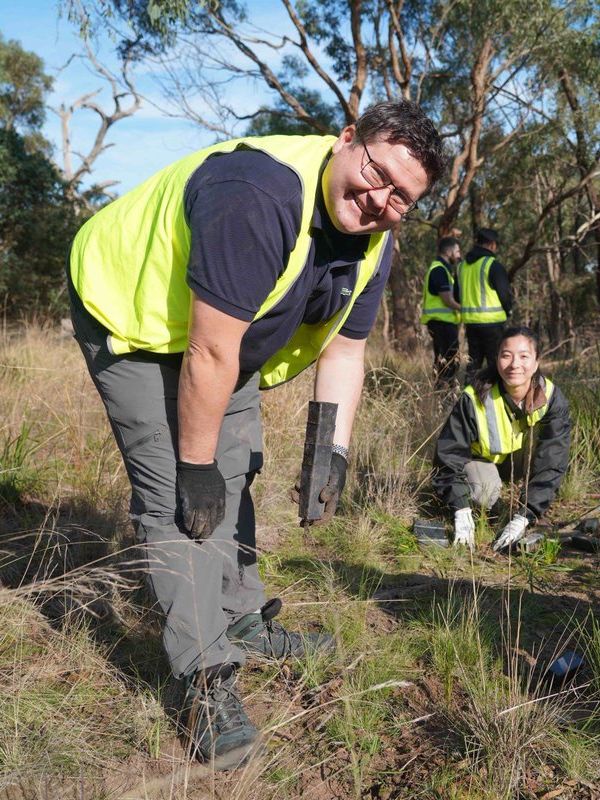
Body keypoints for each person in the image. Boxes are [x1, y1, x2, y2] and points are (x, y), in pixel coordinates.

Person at [67, 100, 446, 769]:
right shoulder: (258, 194)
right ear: (346, 139)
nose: (379, 199)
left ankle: (241, 618)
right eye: (376, 172)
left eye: (400, 198)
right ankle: (204, 680)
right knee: (179, 497)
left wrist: (331, 455)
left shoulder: (376, 241)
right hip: (132, 314)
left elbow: (345, 351)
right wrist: (194, 466)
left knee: (236, 465)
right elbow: (209, 352)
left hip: (223, 335)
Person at [431, 326, 571, 550]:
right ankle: (474, 500)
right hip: (481, 461)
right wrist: (461, 509)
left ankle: (530, 508)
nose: (515, 364)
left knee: (549, 456)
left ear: (536, 362)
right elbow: (448, 455)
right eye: (506, 355)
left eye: (524, 356)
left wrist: (525, 515)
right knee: (484, 495)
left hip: (521, 461)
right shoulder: (473, 397)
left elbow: (553, 460)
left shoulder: (552, 397)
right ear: (496, 360)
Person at [459, 227, 513, 376]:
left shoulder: (461, 267)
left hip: (471, 324)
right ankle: (495, 391)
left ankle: (469, 391)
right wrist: (508, 310)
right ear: (492, 244)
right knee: (496, 364)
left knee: (473, 365)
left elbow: (457, 295)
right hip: (492, 324)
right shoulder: (493, 265)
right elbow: (505, 293)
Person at [420, 236, 462, 390]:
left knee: (444, 360)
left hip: (443, 323)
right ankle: (444, 394)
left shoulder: (443, 269)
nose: (459, 255)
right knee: (449, 361)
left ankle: (442, 393)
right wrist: (464, 308)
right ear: (449, 252)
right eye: (457, 251)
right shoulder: (439, 269)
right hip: (441, 323)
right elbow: (447, 299)